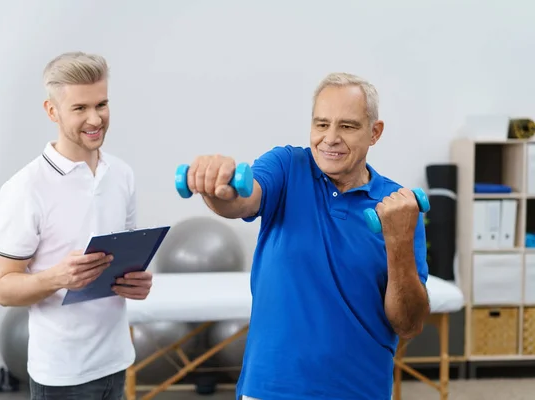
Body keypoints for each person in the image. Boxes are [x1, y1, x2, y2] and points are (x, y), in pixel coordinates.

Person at [185, 73, 431, 400]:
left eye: (347, 126)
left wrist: (398, 242)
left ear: (375, 132)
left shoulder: (398, 206)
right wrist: (215, 183)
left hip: (359, 390)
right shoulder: (288, 167)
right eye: (321, 124)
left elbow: (409, 325)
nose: (330, 138)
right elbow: (240, 199)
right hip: (271, 389)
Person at [0, 51, 152, 400]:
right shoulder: (25, 188)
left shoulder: (121, 174)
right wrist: (58, 277)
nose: (95, 118)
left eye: (102, 104)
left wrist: (135, 282)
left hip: (117, 361)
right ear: (53, 111)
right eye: (80, 108)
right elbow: (3, 289)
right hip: (61, 374)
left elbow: (122, 263)